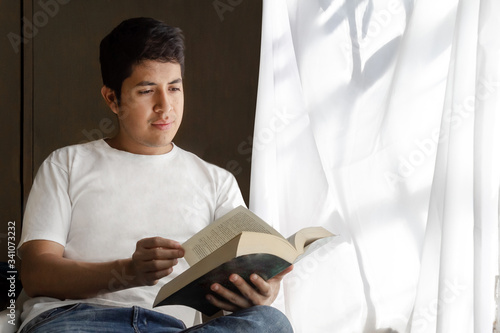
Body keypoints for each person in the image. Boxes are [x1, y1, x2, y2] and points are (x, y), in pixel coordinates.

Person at [17, 17, 293, 333]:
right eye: (147, 90)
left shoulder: (217, 182)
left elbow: (242, 270)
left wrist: (262, 291)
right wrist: (128, 271)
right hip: (78, 321)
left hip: (171, 328)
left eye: (174, 88)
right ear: (112, 99)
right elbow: (36, 274)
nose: (165, 107)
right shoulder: (65, 165)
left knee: (269, 322)